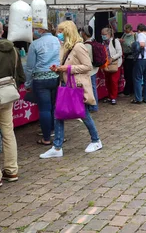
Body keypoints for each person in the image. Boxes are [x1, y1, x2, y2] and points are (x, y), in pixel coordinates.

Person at [40, 21, 102, 159]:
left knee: (83, 113)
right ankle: (57, 146)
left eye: (61, 31)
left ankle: (96, 140)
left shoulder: (79, 47)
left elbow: (87, 66)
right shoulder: (65, 46)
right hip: (65, 85)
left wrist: (68, 68)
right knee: (58, 114)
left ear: (68, 31)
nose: (58, 34)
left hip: (76, 86)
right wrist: (58, 69)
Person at [0, 18, 25, 188]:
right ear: (1, 32)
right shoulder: (14, 50)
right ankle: (12, 170)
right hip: (8, 96)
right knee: (8, 132)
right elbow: (21, 77)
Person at [25, 22, 61, 146]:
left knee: (45, 109)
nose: (33, 31)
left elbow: (30, 67)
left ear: (41, 30)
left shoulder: (35, 44)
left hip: (40, 79)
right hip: (55, 76)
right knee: (54, 107)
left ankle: (46, 138)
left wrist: (28, 83)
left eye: (35, 29)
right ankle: (57, 135)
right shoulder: (58, 41)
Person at [79, 27, 99, 112]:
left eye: (82, 32)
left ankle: (93, 106)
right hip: (94, 69)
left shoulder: (86, 45)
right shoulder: (93, 42)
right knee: (93, 87)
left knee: (91, 88)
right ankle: (94, 105)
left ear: (84, 33)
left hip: (89, 70)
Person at [101, 27, 122, 105]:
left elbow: (119, 52)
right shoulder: (103, 43)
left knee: (113, 81)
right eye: (102, 34)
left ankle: (113, 97)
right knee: (107, 81)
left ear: (109, 34)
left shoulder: (115, 41)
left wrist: (112, 58)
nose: (103, 36)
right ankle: (109, 96)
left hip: (115, 64)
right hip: (106, 64)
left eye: (104, 34)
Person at [120, 24, 136, 96]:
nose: (125, 31)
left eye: (126, 29)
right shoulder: (124, 35)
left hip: (132, 57)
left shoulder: (135, 36)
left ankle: (129, 90)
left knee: (131, 74)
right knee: (126, 74)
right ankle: (128, 89)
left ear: (130, 29)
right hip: (125, 57)